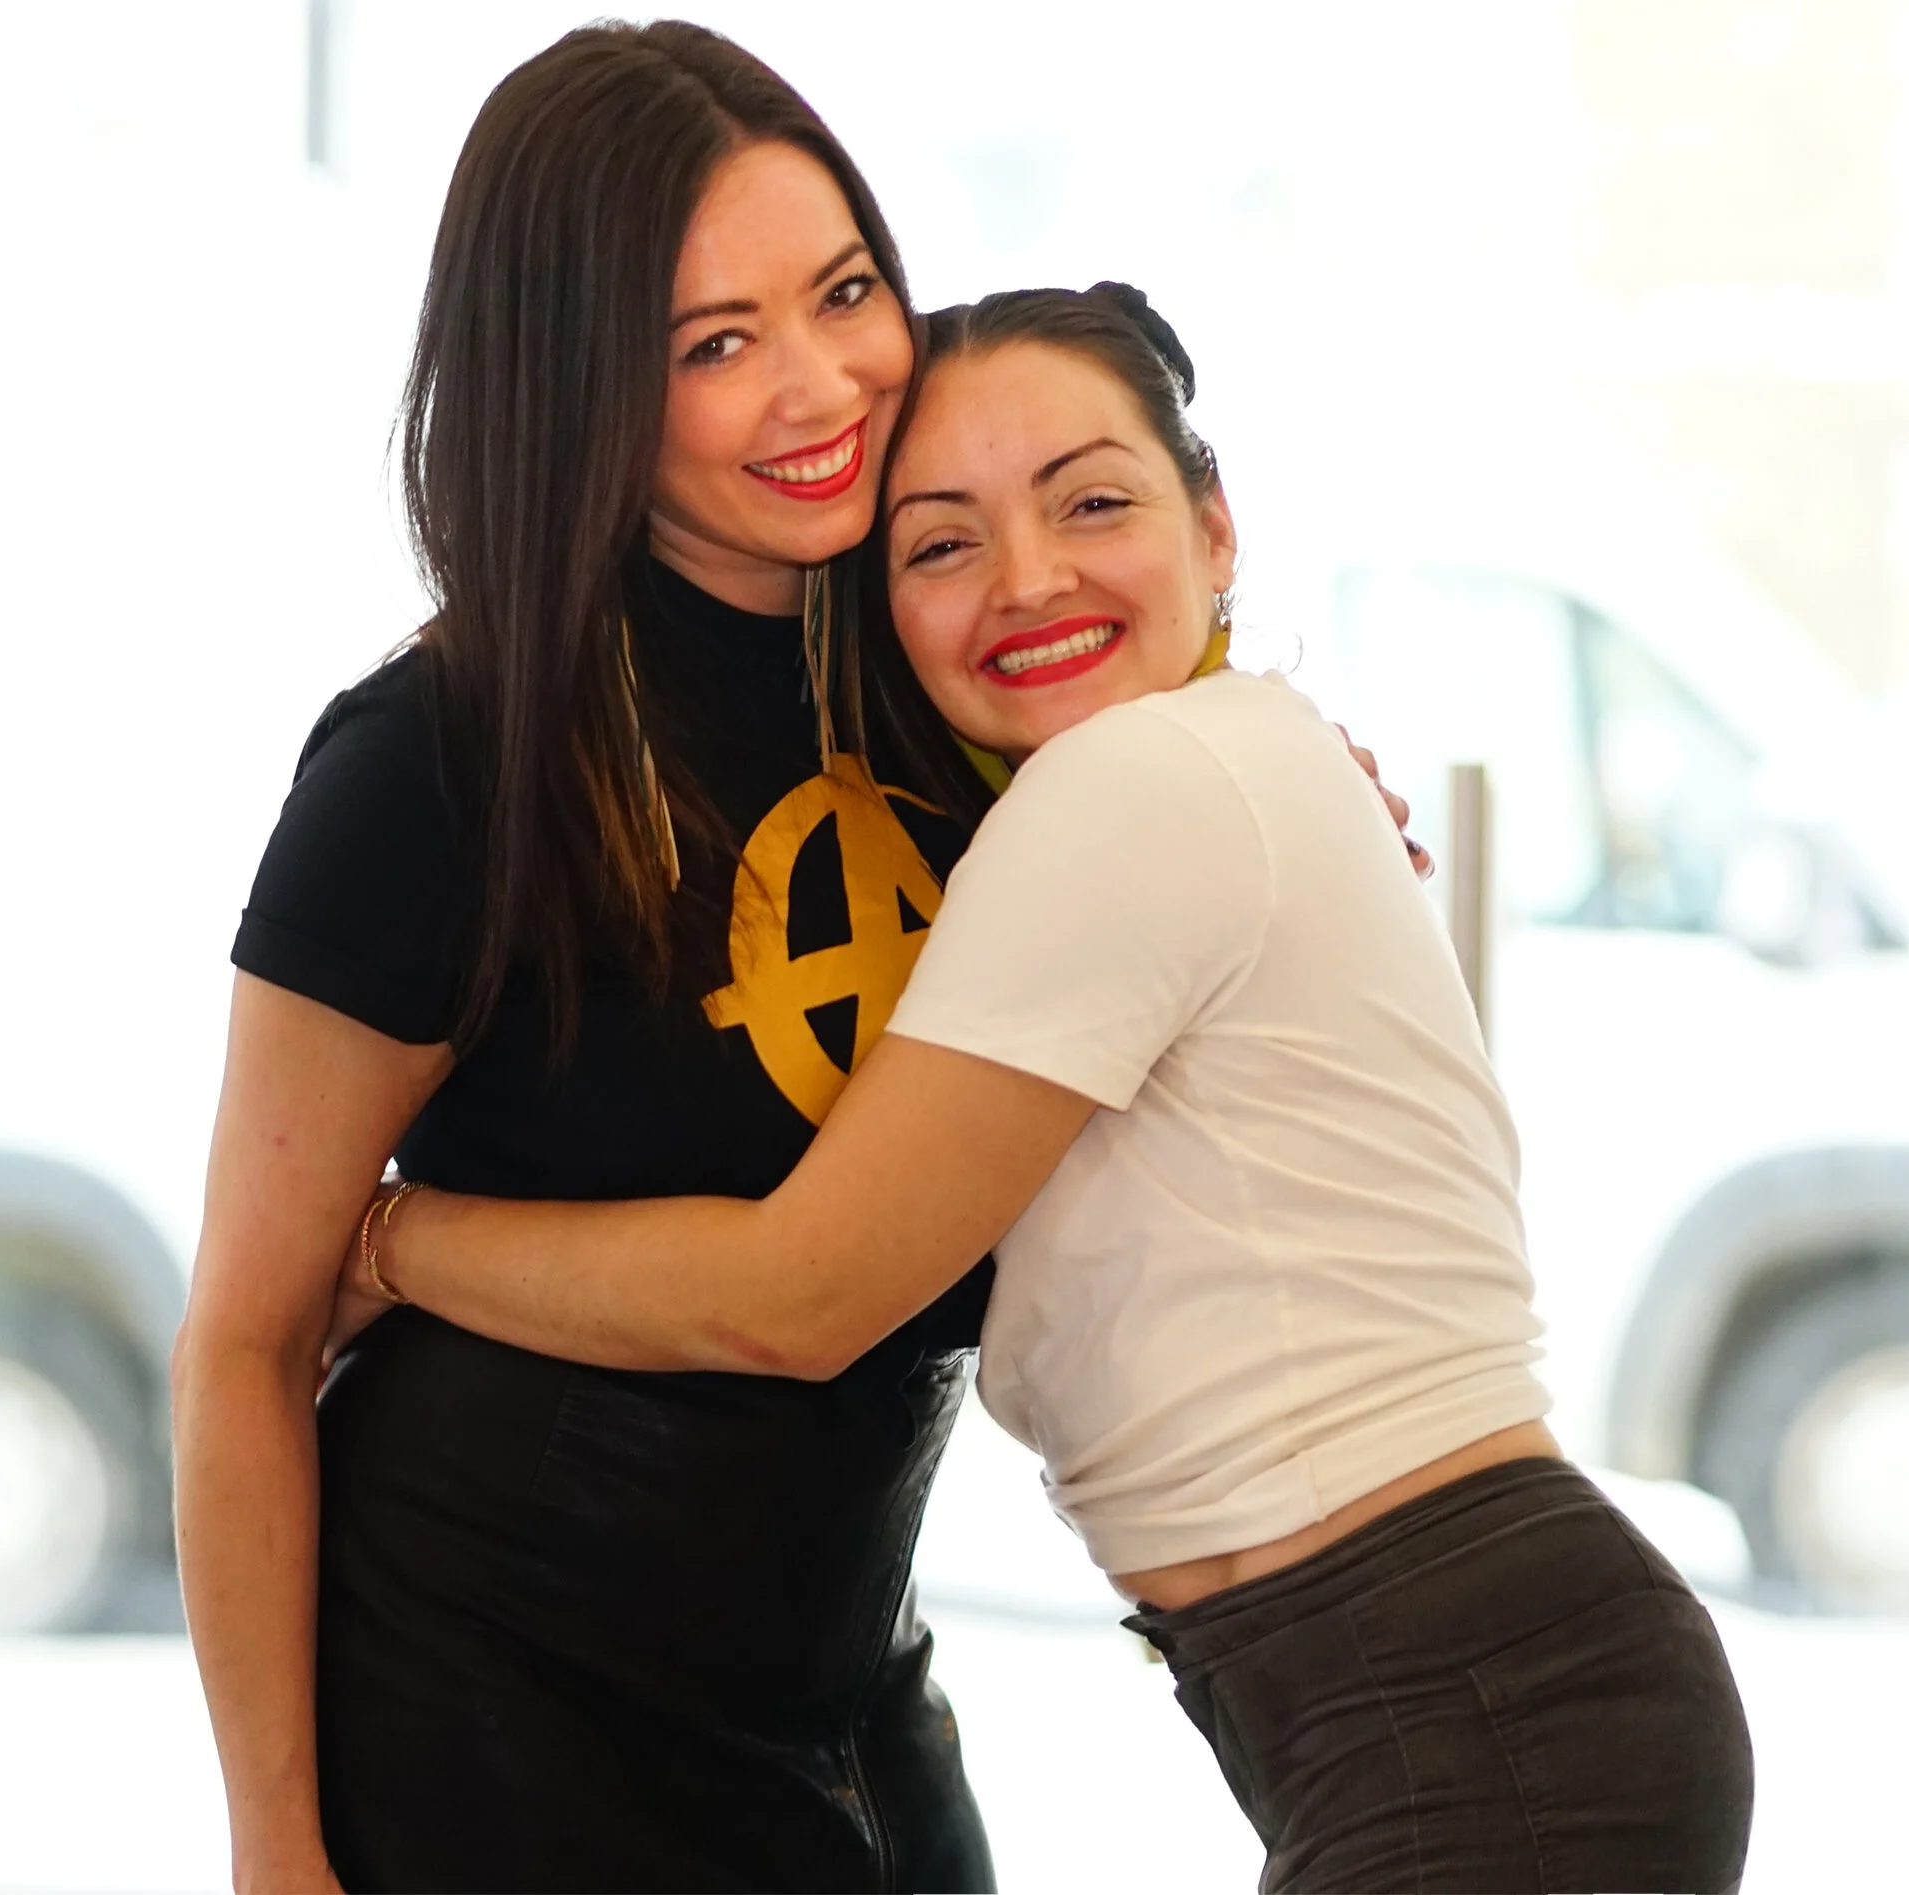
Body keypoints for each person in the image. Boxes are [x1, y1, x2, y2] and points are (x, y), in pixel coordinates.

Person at [170, 23, 1422, 1894]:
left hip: (844, 1672)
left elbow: (1180, 809)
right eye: (714, 345)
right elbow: (246, 1343)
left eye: (844, 294)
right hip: (485, 1685)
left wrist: (1300, 787)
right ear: (579, 380)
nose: (822, 384)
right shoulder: (436, 761)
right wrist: (276, 1846)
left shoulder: (942, 665)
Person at [344, 284, 1758, 1895]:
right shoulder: (1186, 773)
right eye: (942, 543)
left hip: (1479, 1701)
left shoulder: (1143, 785)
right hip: (1461, 1689)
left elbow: (799, 1296)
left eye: (1094, 503)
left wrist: (385, 1241)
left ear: (1215, 526)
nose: (1028, 579)